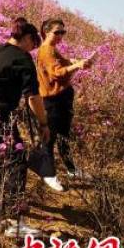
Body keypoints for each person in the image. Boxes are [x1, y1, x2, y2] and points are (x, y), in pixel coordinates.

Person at [0, 17, 49, 237]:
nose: (34, 49)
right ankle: (12, 221)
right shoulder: (22, 58)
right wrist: (43, 123)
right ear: (25, 38)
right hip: (0, 114)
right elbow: (33, 97)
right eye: (34, 43)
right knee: (15, 162)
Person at [36, 19, 93, 191]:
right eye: (57, 32)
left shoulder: (52, 50)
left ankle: (71, 169)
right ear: (46, 32)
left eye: (63, 32)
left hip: (61, 99)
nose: (60, 35)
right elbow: (57, 73)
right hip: (53, 101)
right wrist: (77, 66)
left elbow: (61, 63)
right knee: (50, 138)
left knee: (63, 136)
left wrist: (74, 61)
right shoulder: (46, 50)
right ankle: (48, 174)